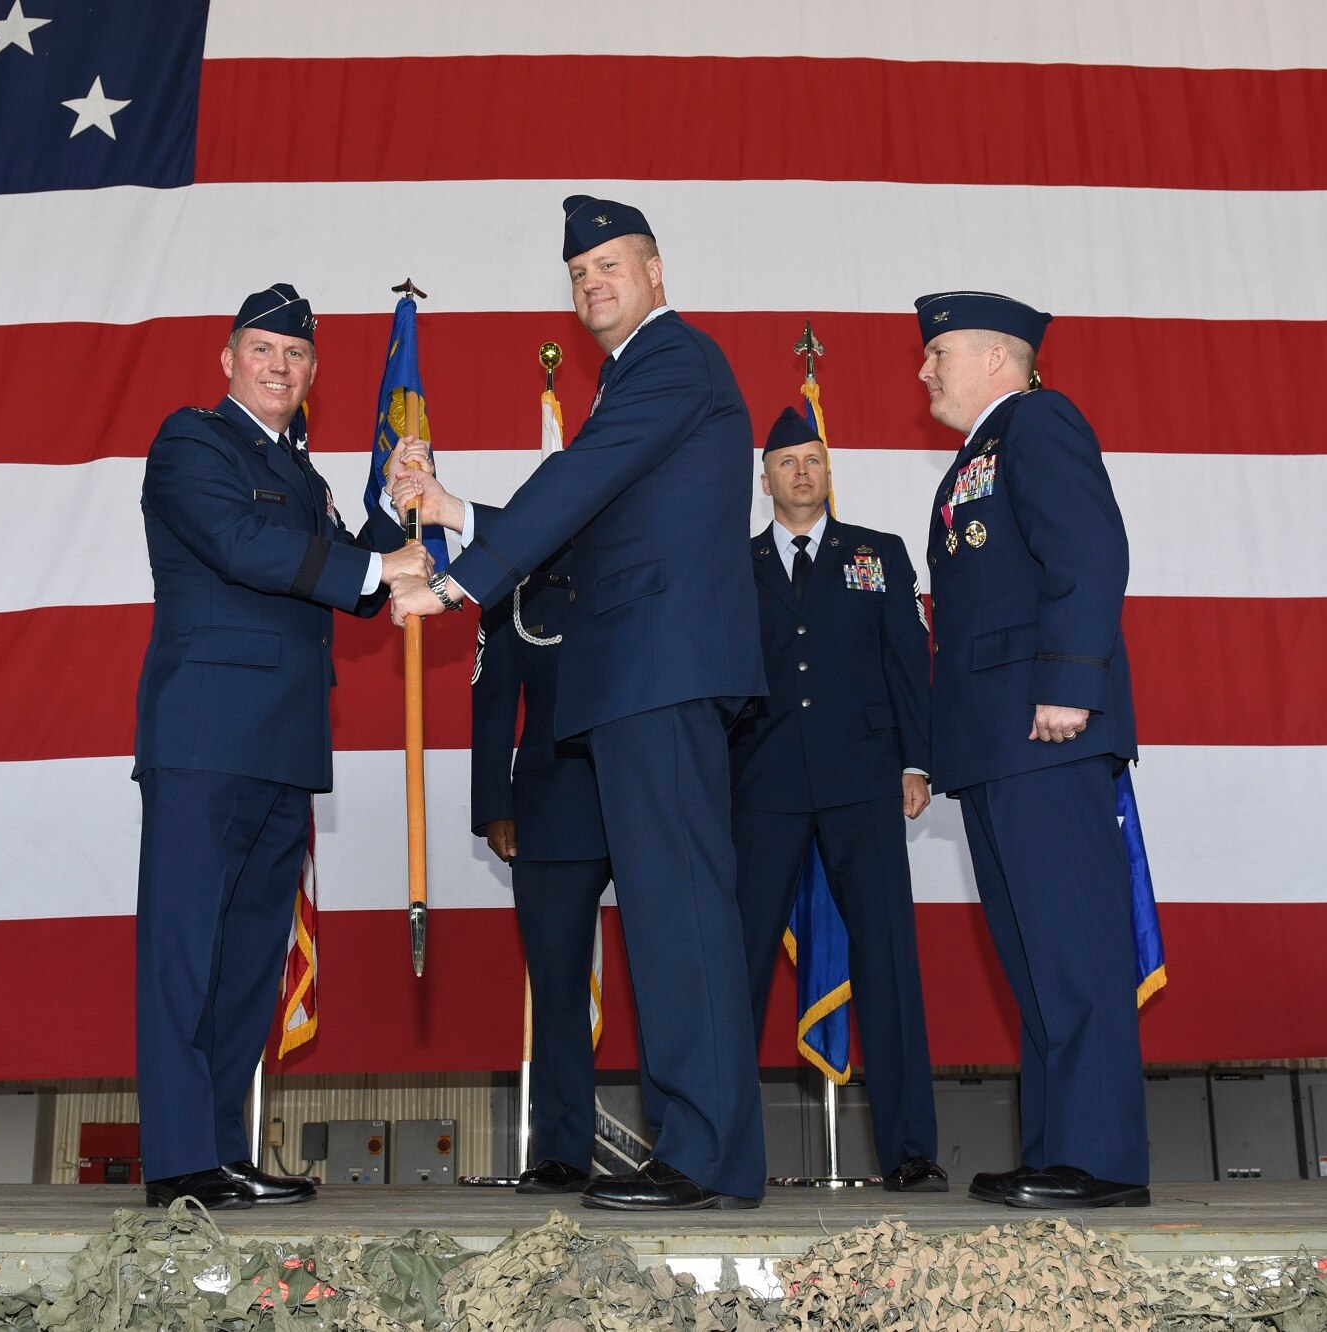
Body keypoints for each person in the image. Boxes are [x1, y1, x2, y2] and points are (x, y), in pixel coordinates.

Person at [387, 196, 769, 1210]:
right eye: (577, 273)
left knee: (679, 913)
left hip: (662, 671)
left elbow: (584, 480)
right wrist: (452, 510)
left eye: (610, 263)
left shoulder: (673, 360)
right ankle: (702, 1148)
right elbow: (593, 515)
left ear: (654, 272)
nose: (592, 282)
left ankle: (703, 1154)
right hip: (639, 675)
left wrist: (460, 580)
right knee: (665, 913)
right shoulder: (630, 380)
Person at [131, 283, 432, 1209]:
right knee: (186, 952)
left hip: (284, 743)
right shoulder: (193, 442)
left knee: (251, 958)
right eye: (263, 349)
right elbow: (240, 544)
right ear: (228, 360)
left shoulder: (302, 473)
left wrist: (397, 504)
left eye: (296, 355)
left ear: (311, 374)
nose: (279, 366)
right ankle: (179, 1161)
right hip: (206, 734)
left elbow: (351, 575)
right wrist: (376, 565)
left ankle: (217, 1149)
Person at [914, 290, 1149, 1208]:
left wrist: (1070, 684)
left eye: (941, 353)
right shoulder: (972, 458)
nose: (925, 369)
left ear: (998, 360)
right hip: (996, 742)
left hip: (1048, 727)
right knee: (1037, 958)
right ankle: (1061, 1149)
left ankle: (1101, 1160)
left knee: (1077, 948)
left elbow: (1090, 551)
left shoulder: (1040, 423)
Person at [727, 406, 946, 1193]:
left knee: (888, 960)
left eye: (814, 459)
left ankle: (911, 1151)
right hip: (762, 786)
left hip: (862, 780)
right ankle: (722, 1150)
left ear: (829, 470)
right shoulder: (734, 561)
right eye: (786, 462)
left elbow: (905, 662)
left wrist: (916, 762)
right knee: (739, 967)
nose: (801, 472)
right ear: (766, 479)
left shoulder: (876, 555)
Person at [470, 547, 631, 1194]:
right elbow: (492, 705)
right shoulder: (515, 595)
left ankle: (685, 1144)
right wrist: (494, 807)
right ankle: (562, 1150)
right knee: (559, 990)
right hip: (552, 805)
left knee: (671, 984)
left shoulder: (637, 573)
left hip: (641, 798)